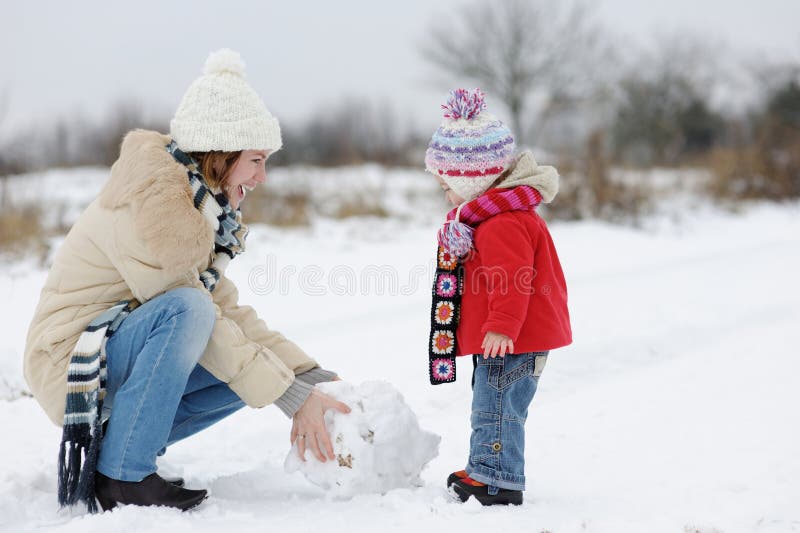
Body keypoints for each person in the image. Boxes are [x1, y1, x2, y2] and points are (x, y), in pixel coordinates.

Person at [22, 48, 350, 513]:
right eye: (256, 160)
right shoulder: (153, 209)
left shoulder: (196, 208)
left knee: (236, 361)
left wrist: (309, 376)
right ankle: (123, 475)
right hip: (69, 362)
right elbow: (204, 320)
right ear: (222, 154)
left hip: (112, 348)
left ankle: (119, 454)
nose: (263, 176)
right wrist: (292, 398)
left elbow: (229, 313)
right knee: (190, 312)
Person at [424, 89, 572, 505]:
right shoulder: (494, 218)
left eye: (446, 186)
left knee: (498, 407)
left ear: (470, 180)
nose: (447, 197)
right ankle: (484, 466)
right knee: (493, 401)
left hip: (511, 338)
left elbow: (514, 279)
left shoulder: (501, 224)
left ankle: (497, 480)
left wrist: (502, 325)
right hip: (509, 337)